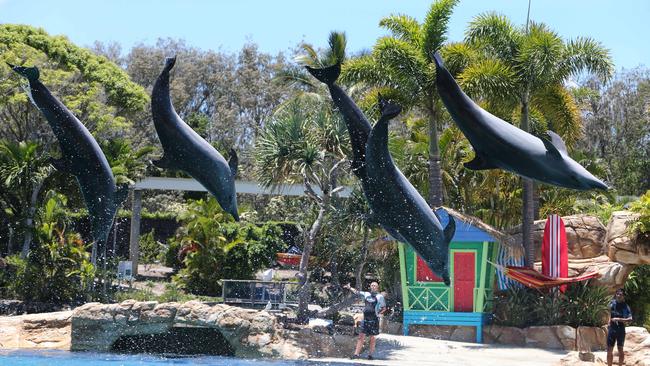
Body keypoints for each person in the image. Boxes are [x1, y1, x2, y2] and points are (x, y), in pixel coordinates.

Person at [344, 281, 386, 360]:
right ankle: (356, 354)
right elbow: (357, 292)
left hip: (374, 320)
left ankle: (370, 355)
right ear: (370, 287)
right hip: (365, 319)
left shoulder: (380, 297)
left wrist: (378, 313)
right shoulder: (366, 294)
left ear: (377, 288)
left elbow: (384, 308)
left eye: (375, 285)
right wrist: (350, 288)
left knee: (372, 338)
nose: (373, 286)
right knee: (361, 336)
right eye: (372, 285)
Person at [607, 288, 633, 366]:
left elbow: (630, 319)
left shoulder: (625, 306)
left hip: (620, 330)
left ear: (623, 296)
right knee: (609, 350)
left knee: (620, 349)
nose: (618, 296)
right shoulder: (612, 303)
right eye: (617, 294)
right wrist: (609, 321)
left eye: (620, 294)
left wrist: (619, 319)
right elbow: (609, 311)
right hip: (612, 329)